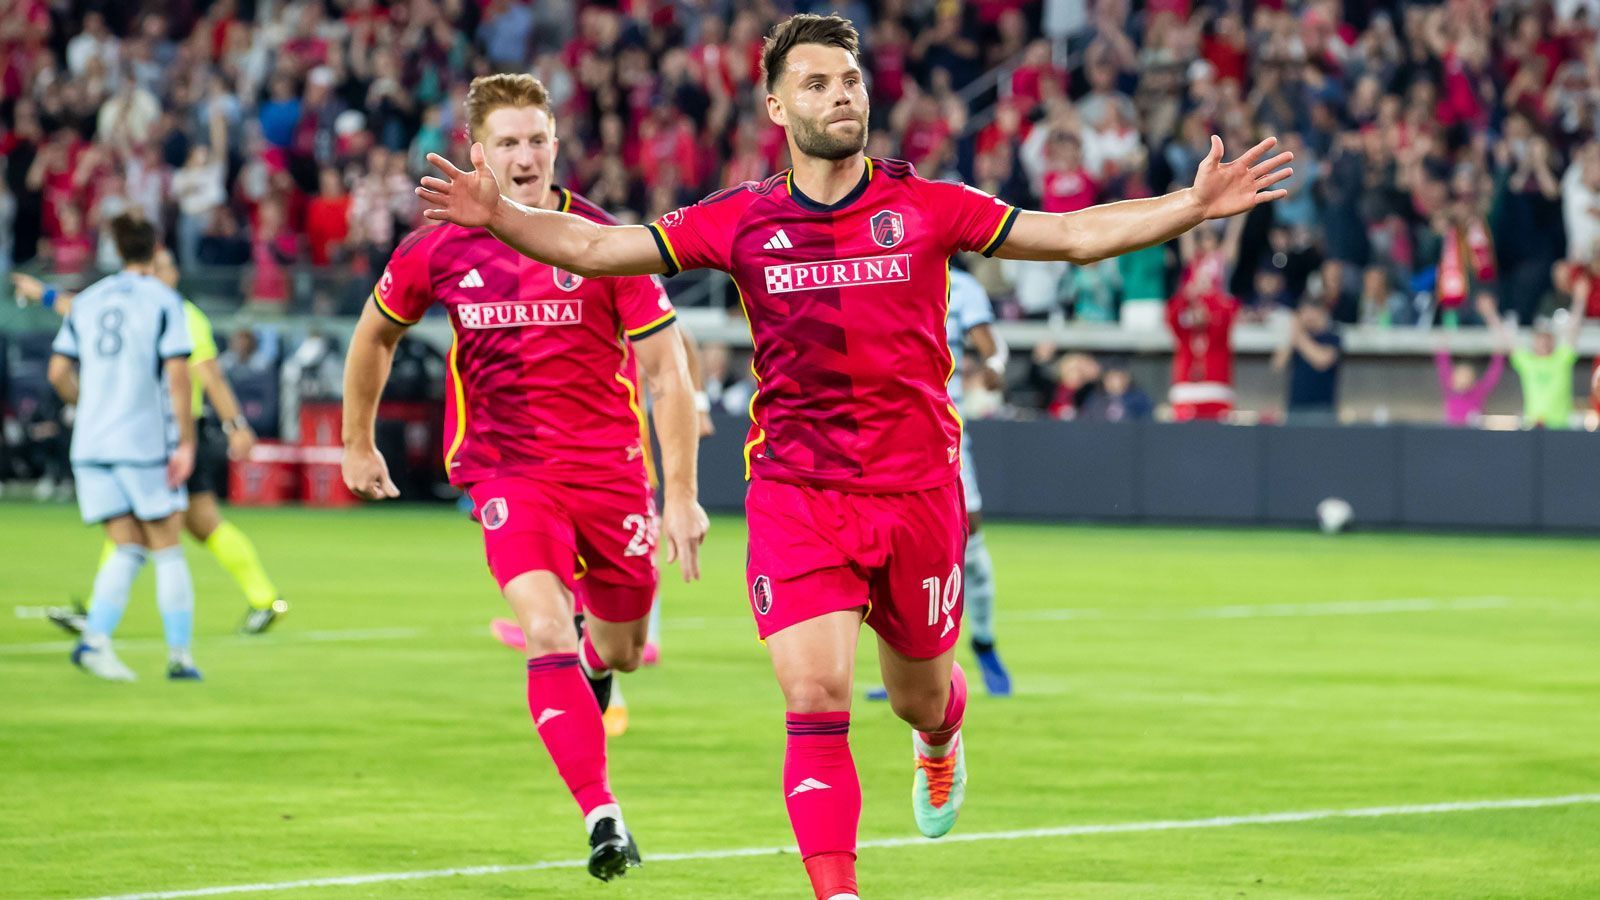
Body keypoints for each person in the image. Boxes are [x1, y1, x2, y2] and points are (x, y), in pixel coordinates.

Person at [415, 16, 1290, 898]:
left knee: (918, 694)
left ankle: (941, 738)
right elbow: (601, 248)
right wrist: (505, 218)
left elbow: (1068, 235)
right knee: (816, 695)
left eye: (850, 81)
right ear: (775, 104)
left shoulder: (928, 206)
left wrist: (1190, 206)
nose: (841, 96)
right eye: (817, 83)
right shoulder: (742, 219)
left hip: (915, 492)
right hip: (796, 491)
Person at [340, 74, 708, 882]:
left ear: (555, 146)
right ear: (479, 152)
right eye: (507, 141)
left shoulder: (604, 241)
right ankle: (602, 816)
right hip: (508, 472)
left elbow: (666, 371)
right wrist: (356, 442)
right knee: (545, 628)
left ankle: (600, 669)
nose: (525, 155)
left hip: (612, 480)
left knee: (621, 643)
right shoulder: (439, 245)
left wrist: (680, 494)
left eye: (536, 139)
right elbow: (373, 337)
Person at [15, 252, 291, 634]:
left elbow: (210, 376)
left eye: (157, 268)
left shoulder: (184, 316)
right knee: (195, 523)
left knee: (137, 518)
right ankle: (264, 599)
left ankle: (101, 614)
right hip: (150, 433)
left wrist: (236, 424)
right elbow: (82, 308)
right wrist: (43, 294)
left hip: (173, 436)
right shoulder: (139, 310)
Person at [45, 215, 200, 681]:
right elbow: (177, 375)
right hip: (142, 439)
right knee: (168, 544)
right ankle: (180, 658)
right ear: (154, 250)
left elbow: (56, 374)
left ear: (114, 249)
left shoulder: (86, 301)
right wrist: (186, 442)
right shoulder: (164, 301)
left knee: (127, 544)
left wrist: (88, 403)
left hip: (90, 441)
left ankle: (94, 642)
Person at [866, 265, 1012, 702]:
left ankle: (984, 644)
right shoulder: (877, 271)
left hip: (941, 435)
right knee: (887, 554)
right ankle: (904, 672)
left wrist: (995, 365)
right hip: (877, 435)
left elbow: (991, 344)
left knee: (970, 543)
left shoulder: (962, 287)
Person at [1511, 271, 1589, 429]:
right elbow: (1505, 340)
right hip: (1533, 426)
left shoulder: (1561, 358)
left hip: (1560, 427)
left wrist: (1580, 298)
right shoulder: (1526, 361)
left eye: (1547, 339)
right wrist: (1489, 313)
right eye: (1540, 339)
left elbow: (1574, 330)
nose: (1543, 343)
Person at [1435, 295, 1510, 426]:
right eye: (1460, 375)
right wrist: (1449, 307)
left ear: (1473, 381)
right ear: (1452, 377)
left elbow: (1497, 365)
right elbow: (1442, 356)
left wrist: (1490, 315)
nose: (1462, 380)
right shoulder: (1449, 389)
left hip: (1474, 438)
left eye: (1467, 376)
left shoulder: (1478, 392)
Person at [1273, 299, 1342, 424]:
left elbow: (1322, 361)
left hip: (1322, 409)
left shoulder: (1332, 337)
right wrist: (1292, 337)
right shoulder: (1295, 339)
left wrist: (1299, 336)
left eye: (1312, 312)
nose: (1308, 317)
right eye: (1304, 312)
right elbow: (1278, 365)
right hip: (1295, 408)